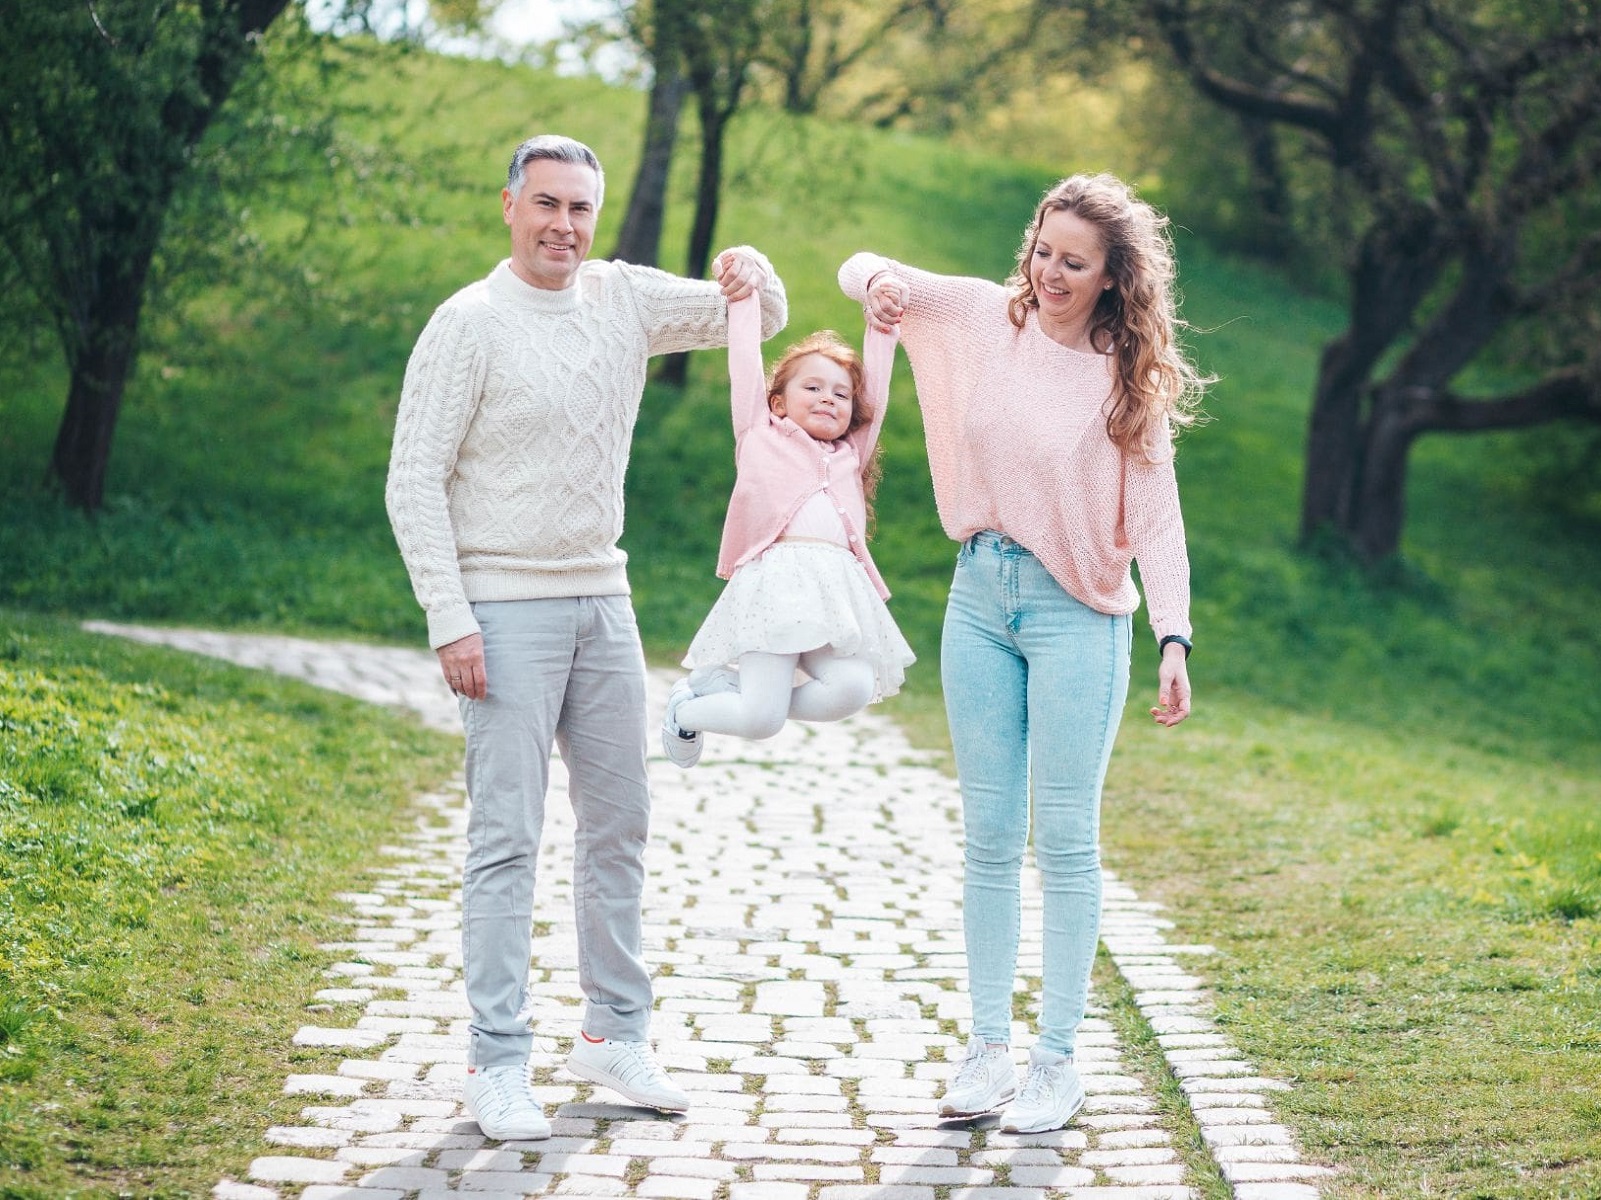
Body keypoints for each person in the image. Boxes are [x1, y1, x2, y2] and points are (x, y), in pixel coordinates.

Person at [385, 134, 787, 1141]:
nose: (563, 226)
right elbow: (412, 480)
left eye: (580, 211)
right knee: (505, 838)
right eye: (547, 205)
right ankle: (498, 1060)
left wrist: (751, 269)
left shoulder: (619, 297)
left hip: (602, 599)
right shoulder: (466, 324)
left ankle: (613, 1034)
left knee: (620, 823)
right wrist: (451, 617)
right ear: (510, 206)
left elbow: (758, 315)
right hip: (501, 609)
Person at [839, 172, 1207, 1134]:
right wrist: (875, 281)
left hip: (1078, 614)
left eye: (1073, 262)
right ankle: (987, 1051)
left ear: (1113, 277)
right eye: (1043, 250)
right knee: (990, 837)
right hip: (978, 597)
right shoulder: (982, 318)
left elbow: (1159, 522)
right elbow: (864, 271)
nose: (1050, 272)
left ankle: (1057, 1061)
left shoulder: (1126, 379)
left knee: (1067, 839)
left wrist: (1173, 633)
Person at [659, 290, 914, 766]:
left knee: (853, 687)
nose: (828, 398)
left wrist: (883, 329)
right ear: (777, 403)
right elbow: (744, 362)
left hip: (833, 593)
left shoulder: (850, 455)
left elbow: (874, 392)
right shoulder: (759, 434)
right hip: (775, 590)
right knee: (761, 720)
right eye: (813, 388)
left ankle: (731, 687)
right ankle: (688, 711)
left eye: (840, 394)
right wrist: (744, 298)